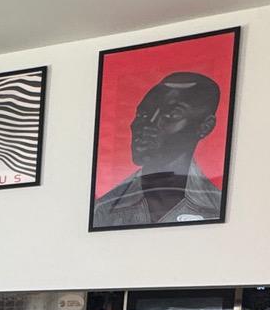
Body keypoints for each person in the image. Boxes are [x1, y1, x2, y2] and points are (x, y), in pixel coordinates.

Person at [91, 71, 225, 228]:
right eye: (142, 114)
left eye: (171, 115)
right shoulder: (103, 209)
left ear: (205, 127)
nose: (147, 125)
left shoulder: (218, 206)